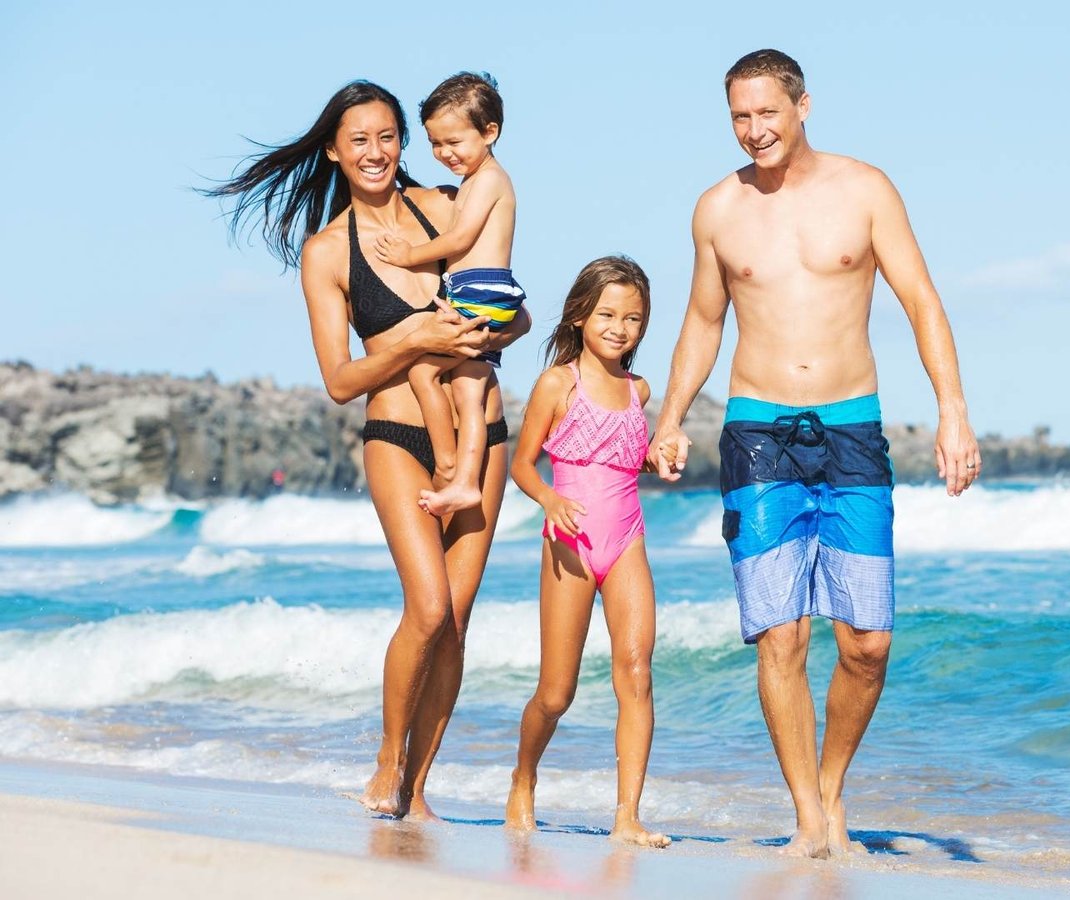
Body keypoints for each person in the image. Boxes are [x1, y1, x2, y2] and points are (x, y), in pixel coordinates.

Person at [647, 49, 982, 858]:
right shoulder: (717, 208)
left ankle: (832, 789)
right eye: (739, 116)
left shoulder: (865, 190)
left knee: (868, 642)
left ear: (802, 106)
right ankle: (808, 818)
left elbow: (921, 301)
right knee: (782, 635)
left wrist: (953, 412)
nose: (753, 130)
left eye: (767, 112)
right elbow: (703, 321)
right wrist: (671, 417)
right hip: (757, 434)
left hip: (851, 430)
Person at [207, 80, 530, 819]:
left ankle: (417, 791)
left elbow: (517, 313)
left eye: (387, 136)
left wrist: (487, 331)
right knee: (428, 606)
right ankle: (388, 762)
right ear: (334, 151)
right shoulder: (327, 252)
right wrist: (414, 340)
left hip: (482, 433)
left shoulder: (446, 207)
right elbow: (339, 380)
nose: (375, 151)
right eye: (359, 140)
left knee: (458, 618)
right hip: (397, 435)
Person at [505, 256, 671, 849]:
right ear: (580, 315)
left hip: (627, 540)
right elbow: (522, 465)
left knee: (637, 671)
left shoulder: (637, 390)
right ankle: (523, 778)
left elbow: (624, 457)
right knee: (557, 693)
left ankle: (627, 817)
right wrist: (549, 499)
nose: (619, 328)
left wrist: (655, 458)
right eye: (607, 314)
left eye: (632, 318)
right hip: (569, 544)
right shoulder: (558, 384)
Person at [374, 72, 523, 519]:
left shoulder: (490, 179)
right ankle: (464, 482)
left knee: (423, 373)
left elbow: (460, 240)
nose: (445, 153)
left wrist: (408, 256)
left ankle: (450, 468)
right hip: (477, 292)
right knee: (466, 390)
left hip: (482, 290)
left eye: (454, 142)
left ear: (490, 132)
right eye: (435, 144)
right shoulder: (477, 179)